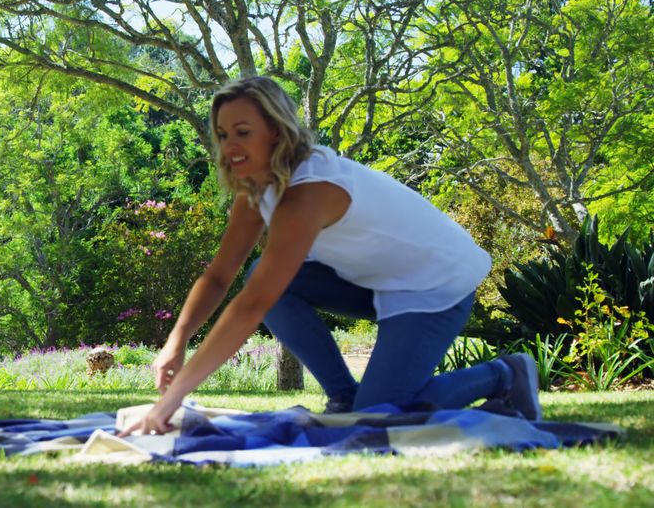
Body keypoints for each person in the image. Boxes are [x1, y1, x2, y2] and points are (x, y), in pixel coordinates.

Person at [119, 76, 541, 437]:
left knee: (376, 421)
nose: (230, 146)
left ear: (277, 132)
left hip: (434, 284)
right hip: (375, 281)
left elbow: (252, 306)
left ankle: (505, 374)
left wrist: (171, 401)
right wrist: (175, 342)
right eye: (224, 134)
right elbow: (218, 277)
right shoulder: (257, 189)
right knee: (260, 280)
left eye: (243, 132)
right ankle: (345, 396)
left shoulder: (310, 191)